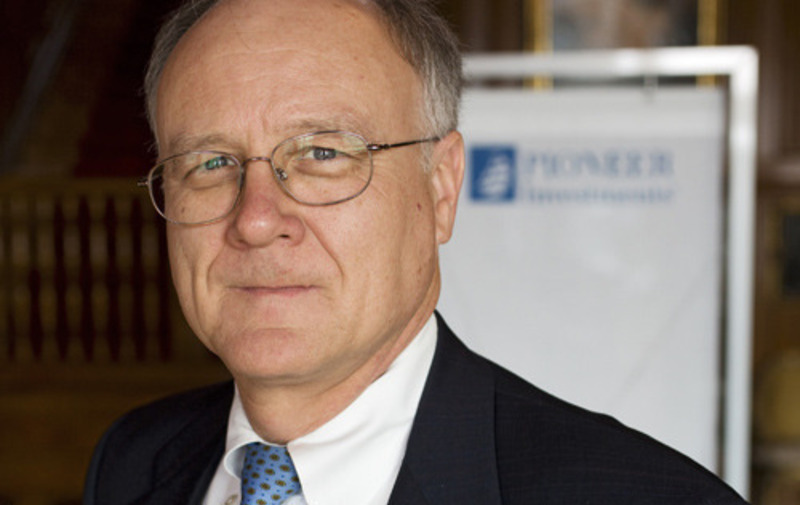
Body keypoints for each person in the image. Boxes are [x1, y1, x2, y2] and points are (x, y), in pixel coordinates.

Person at [83, 0, 749, 504]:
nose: (256, 219)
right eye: (209, 162)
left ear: (441, 187)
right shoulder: (133, 460)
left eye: (323, 153)